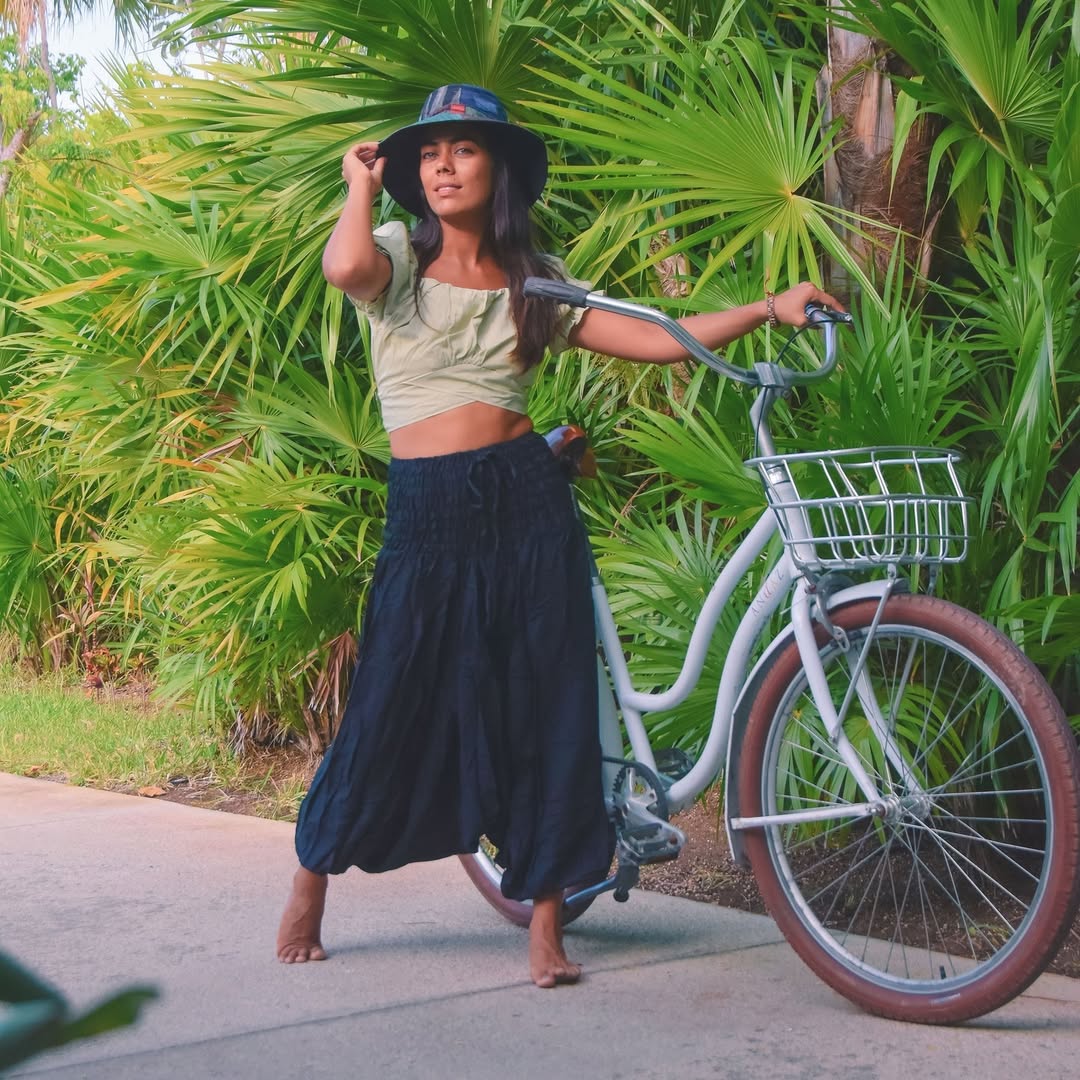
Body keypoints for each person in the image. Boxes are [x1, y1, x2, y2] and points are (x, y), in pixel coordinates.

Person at [276, 84, 843, 988]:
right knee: (389, 695)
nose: (444, 165)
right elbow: (343, 270)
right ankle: (311, 879)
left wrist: (768, 307)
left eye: (463, 150)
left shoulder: (534, 283)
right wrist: (359, 187)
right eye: (430, 154)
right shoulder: (393, 257)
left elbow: (658, 338)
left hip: (527, 501)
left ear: (496, 168)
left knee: (551, 705)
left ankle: (545, 923)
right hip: (428, 512)